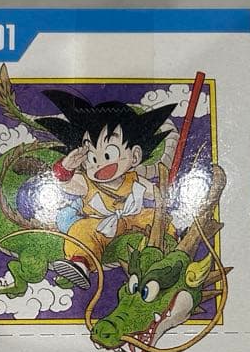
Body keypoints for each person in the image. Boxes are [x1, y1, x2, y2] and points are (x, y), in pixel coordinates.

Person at [37, 90, 177, 289]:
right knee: (81, 229)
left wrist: (165, 194)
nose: (99, 164)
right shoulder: (87, 182)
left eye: (109, 155)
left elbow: (156, 194)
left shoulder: (134, 179)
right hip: (99, 224)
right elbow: (65, 183)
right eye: (92, 158)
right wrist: (66, 167)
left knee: (155, 217)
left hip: (133, 219)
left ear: (135, 156)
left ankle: (172, 247)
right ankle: (80, 263)